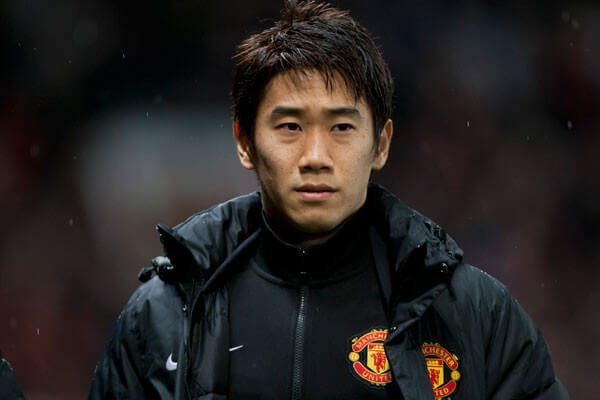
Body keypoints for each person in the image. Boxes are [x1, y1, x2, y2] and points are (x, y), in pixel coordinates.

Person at [89, 1, 569, 399]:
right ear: (245, 142)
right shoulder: (163, 315)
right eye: (290, 126)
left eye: (341, 127)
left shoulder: (472, 314)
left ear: (380, 144)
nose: (315, 157)